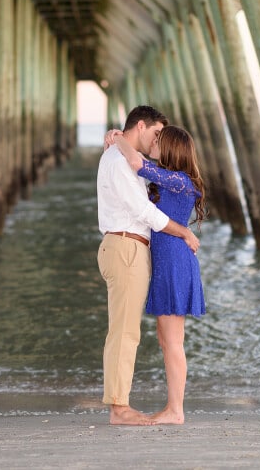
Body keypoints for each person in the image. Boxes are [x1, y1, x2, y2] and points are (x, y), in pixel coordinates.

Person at [96, 105, 199, 426]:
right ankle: (119, 408)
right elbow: (145, 211)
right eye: (155, 133)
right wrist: (183, 230)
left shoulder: (158, 174)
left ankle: (159, 408)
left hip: (142, 251)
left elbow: (143, 173)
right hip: (127, 246)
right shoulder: (120, 162)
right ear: (140, 126)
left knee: (147, 335)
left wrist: (116, 138)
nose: (157, 142)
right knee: (126, 333)